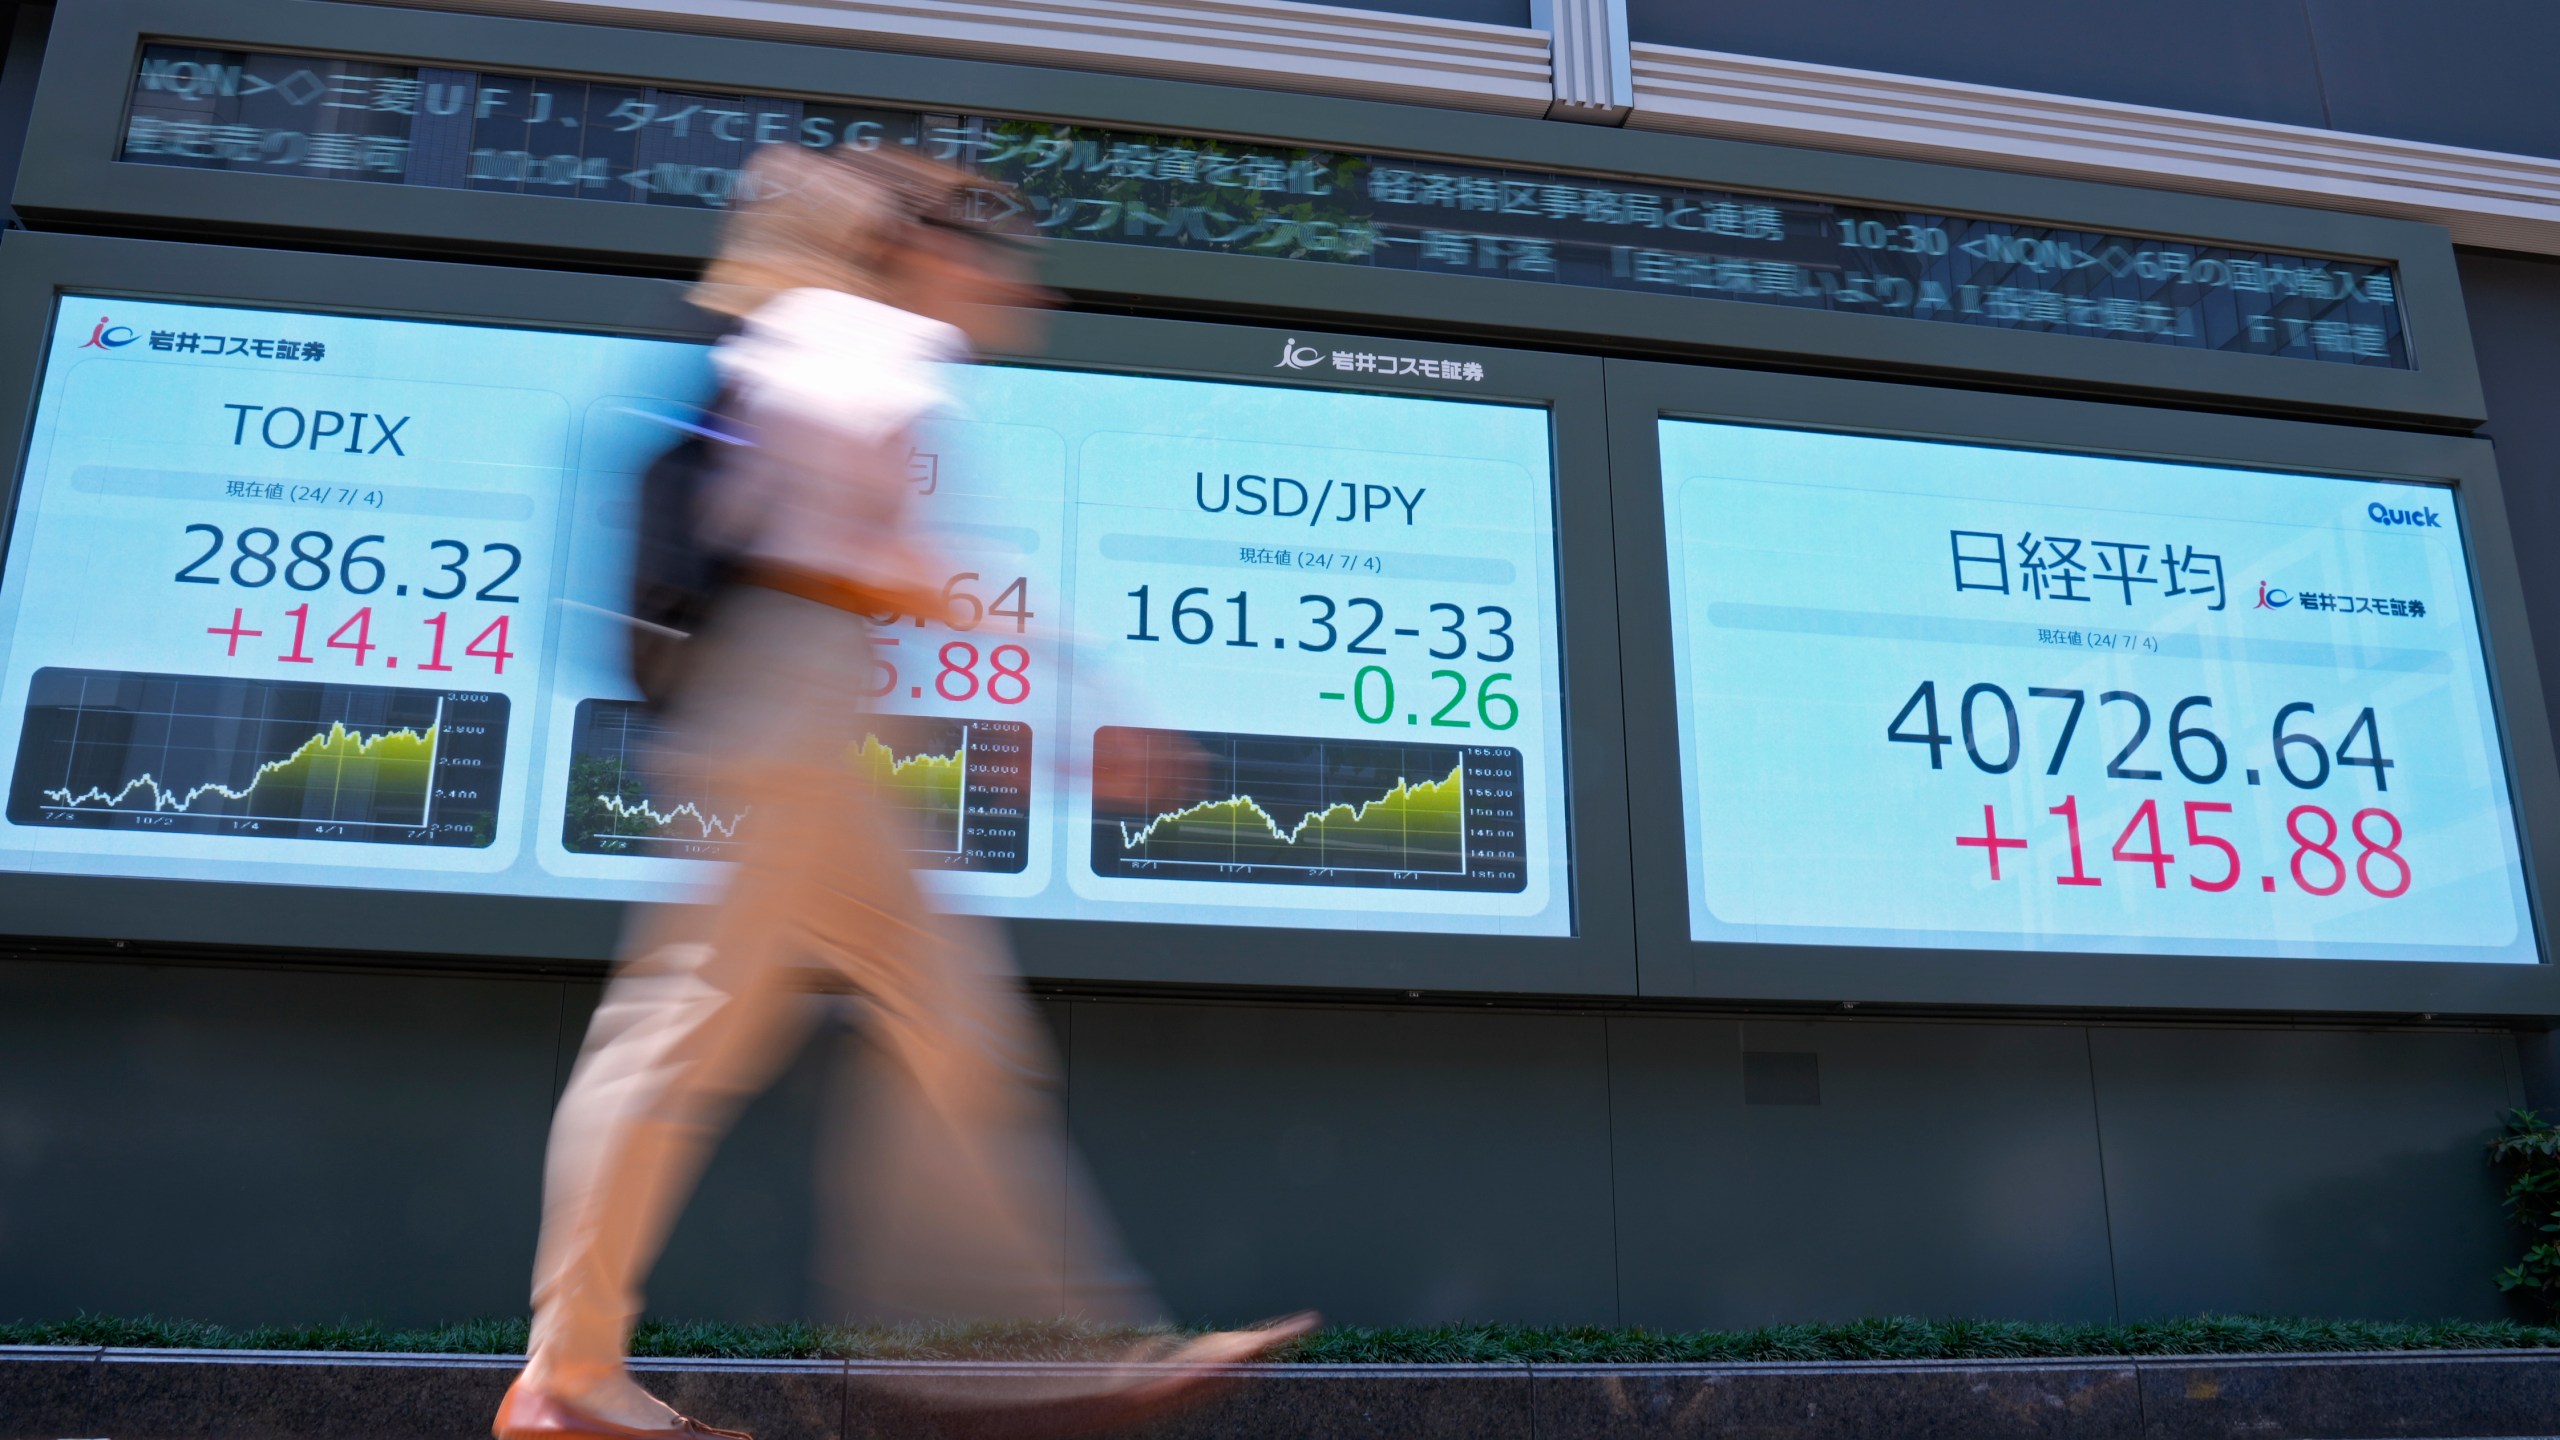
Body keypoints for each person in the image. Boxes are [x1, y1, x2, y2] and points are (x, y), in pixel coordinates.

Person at [495, 145, 1310, 1440]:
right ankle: (1007, 1356)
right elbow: (874, 549)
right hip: (795, 691)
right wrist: (1078, 685)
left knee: (714, 1029)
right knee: (913, 1030)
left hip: (769, 699)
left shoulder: (803, 329)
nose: (1012, 290)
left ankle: (579, 1376)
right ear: (927, 252)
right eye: (993, 259)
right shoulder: (869, 341)